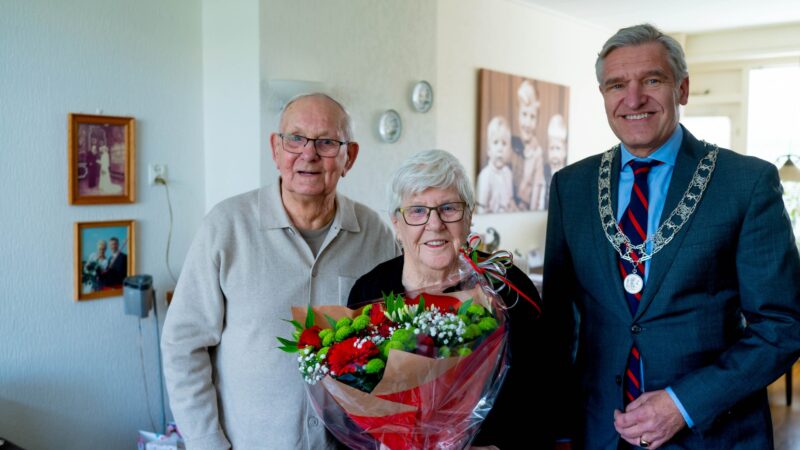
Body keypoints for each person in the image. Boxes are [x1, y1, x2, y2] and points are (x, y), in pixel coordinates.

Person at [543, 23, 800, 449]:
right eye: (616, 85)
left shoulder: (746, 182)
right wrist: (558, 429)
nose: (633, 98)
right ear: (603, 96)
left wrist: (683, 404)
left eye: (652, 80)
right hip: (599, 432)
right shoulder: (571, 186)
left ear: (682, 89)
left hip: (713, 433)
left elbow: (783, 326)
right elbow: (558, 327)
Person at [161, 93, 400, 450]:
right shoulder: (226, 227)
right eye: (296, 138)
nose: (308, 154)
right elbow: (183, 345)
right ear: (275, 149)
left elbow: (397, 345)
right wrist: (207, 443)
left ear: (349, 157)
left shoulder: (376, 235)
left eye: (327, 142)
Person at [349, 149, 553, 449]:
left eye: (449, 208)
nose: (434, 224)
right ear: (396, 223)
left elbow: (544, 393)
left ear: (469, 217)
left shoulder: (507, 287)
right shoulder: (369, 293)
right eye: (417, 210)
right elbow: (355, 404)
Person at [512, 80, 547, 211]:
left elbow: (537, 189)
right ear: (517, 115)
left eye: (532, 117)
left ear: (537, 120)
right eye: (524, 114)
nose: (527, 123)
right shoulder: (511, 145)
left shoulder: (537, 153)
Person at [477, 116, 515, 213]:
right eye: (495, 142)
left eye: (504, 143)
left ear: (510, 151)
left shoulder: (508, 174)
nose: (500, 149)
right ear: (488, 150)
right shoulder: (485, 176)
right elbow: (481, 209)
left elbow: (510, 202)